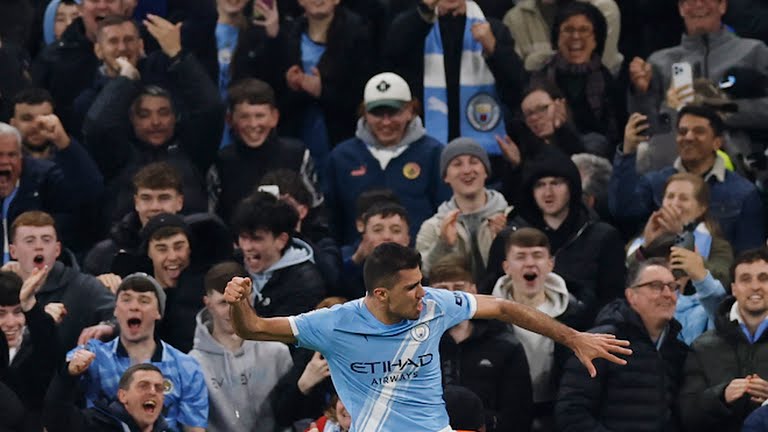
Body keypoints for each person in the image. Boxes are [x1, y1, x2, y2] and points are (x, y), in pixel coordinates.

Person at [223, 242, 632, 432]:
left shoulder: (435, 304)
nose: (423, 293)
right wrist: (239, 304)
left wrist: (574, 337)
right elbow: (255, 328)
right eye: (412, 288)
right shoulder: (333, 324)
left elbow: (505, 307)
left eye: (422, 283)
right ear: (381, 294)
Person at [82, 14, 223, 223]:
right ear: (131, 120)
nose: (155, 122)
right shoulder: (120, 155)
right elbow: (97, 127)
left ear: (176, 117)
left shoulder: (193, 150)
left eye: (164, 113)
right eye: (144, 115)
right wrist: (126, 79)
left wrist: (178, 55)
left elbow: (211, 108)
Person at [627, 0, 768, 180]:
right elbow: (646, 128)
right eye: (689, 1)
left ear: (722, 6)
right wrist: (641, 93)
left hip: (737, 162)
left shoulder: (754, 51)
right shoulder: (660, 61)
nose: (698, 5)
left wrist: (719, 109)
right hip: (671, 164)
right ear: (680, 9)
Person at [555, 258, 689, 431]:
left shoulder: (678, 350)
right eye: (656, 286)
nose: (667, 294)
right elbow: (571, 413)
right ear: (631, 295)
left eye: (672, 287)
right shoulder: (600, 343)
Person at [486, 151, 626, 316]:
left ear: (572, 187)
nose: (548, 193)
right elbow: (489, 296)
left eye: (556, 183)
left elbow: (613, 304)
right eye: (540, 185)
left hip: (585, 334)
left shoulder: (604, 237)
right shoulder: (509, 239)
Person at [610, 105, 764, 253]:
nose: (689, 137)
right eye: (683, 132)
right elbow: (623, 211)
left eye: (699, 131)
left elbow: (749, 253)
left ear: (717, 142)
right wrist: (628, 151)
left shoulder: (743, 193)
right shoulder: (655, 182)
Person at [384, 0, 526, 159]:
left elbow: (518, 86)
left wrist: (494, 49)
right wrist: (423, 13)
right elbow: (392, 53)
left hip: (485, 151)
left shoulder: (492, 29)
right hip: (424, 147)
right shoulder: (416, 25)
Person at [67, 273, 208, 432]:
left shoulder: (186, 367)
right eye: (126, 299)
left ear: (158, 312)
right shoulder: (95, 355)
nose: (134, 306)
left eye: (144, 300)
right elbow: (60, 385)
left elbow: (194, 428)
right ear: (115, 310)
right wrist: (71, 368)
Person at [324, 71, 449, 245]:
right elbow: (331, 222)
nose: (386, 122)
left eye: (393, 112)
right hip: (359, 267)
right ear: (365, 113)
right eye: (377, 113)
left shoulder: (434, 153)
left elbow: (446, 213)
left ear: (410, 111)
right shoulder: (342, 157)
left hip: (419, 263)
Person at [490, 228, 587, 430]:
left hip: (557, 415)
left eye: (537, 255)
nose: (530, 262)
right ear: (506, 266)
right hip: (505, 416)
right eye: (520, 256)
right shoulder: (487, 317)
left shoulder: (577, 314)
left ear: (550, 264)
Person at [432, 255, 533, 432]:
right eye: (442, 290)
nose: (451, 296)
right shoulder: (414, 345)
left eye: (459, 288)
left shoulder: (504, 344)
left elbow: (519, 413)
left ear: (473, 291)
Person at [190, 261, 292, 432]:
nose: (232, 311)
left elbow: (293, 413)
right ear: (208, 304)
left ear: (250, 298)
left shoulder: (277, 352)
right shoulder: (193, 364)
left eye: (237, 301)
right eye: (223, 303)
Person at [208, 78, 321, 224]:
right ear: (230, 120)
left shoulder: (297, 155)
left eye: (260, 116)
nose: (253, 124)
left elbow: (317, 211)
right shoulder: (221, 162)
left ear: (274, 117)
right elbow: (213, 218)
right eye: (244, 117)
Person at [678, 248, 768, 431]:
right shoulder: (703, 347)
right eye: (745, 279)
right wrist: (721, 396)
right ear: (734, 288)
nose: (755, 286)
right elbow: (686, 414)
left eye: (764, 278)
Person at [6, 211, 115, 355]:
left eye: (46, 240)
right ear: (13, 251)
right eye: (30, 241)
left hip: (63, 373)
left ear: (57, 249)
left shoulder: (82, 286)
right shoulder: (4, 289)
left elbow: (119, 313)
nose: (39, 247)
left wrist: (108, 327)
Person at [531, 2, 627, 146]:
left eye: (584, 30)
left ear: (596, 40)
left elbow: (617, 136)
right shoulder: (540, 79)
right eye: (568, 30)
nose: (576, 36)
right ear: (557, 38)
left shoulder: (608, 82)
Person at [416, 138, 510, 283]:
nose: (466, 170)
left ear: (486, 171)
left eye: (474, 162)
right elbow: (424, 273)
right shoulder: (433, 227)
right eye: (457, 164)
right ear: (445, 176)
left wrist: (505, 238)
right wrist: (444, 244)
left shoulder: (510, 218)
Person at [232, 192, 325, 317]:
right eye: (243, 237)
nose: (247, 247)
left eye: (257, 239)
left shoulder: (304, 282)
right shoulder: (233, 264)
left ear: (281, 240)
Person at [84, 161, 185, 276]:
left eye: (164, 198)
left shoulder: (198, 248)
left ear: (179, 202)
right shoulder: (105, 255)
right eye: (146, 198)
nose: (154, 207)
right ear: (136, 202)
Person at [0, 267, 58, 431]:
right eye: (1, 313)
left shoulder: (33, 352)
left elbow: (47, 354)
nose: (11, 322)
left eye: (18, 312)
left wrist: (30, 305)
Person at [44, 362, 171, 432]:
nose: (153, 392)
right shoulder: (94, 424)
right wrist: (68, 375)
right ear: (123, 396)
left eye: (159, 388)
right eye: (143, 386)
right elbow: (57, 417)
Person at [502, 0, 622, 75]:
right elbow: (517, 81)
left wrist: (536, 60)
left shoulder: (603, 8)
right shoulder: (515, 18)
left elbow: (601, 68)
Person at [340, 201, 412, 300]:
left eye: (396, 230)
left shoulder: (417, 274)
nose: (387, 237)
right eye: (377, 230)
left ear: (407, 239)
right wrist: (356, 259)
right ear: (364, 236)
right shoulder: (351, 271)